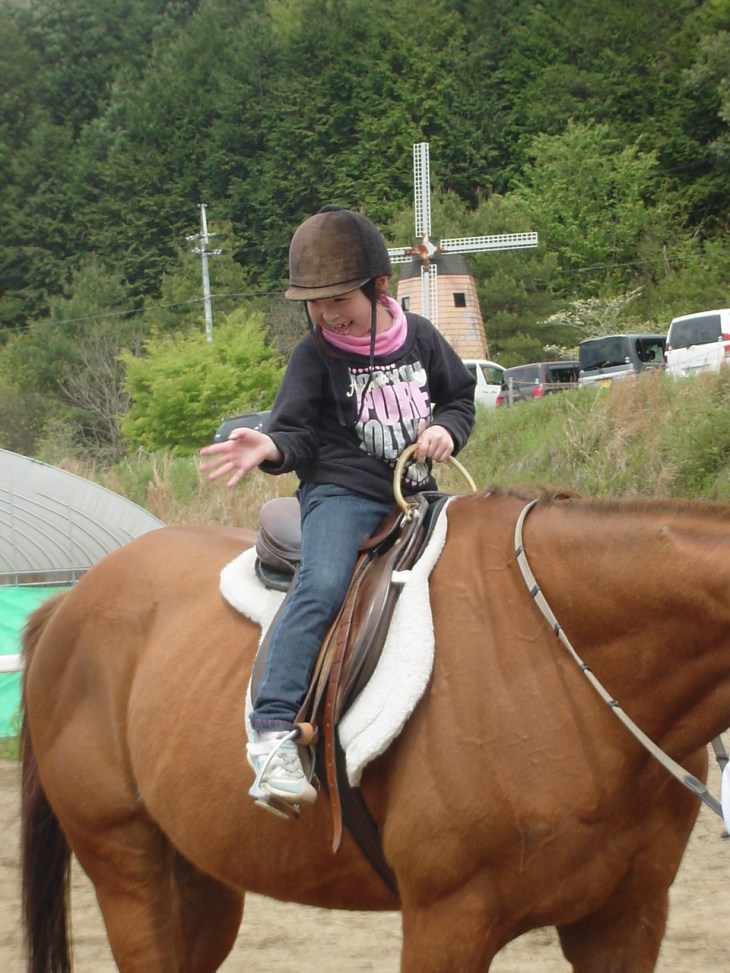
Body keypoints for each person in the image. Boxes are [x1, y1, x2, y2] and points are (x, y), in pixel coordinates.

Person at [200, 206, 476, 808]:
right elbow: (296, 434)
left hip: (416, 493)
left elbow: (459, 398)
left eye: (338, 299)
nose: (327, 314)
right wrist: (270, 446)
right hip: (341, 494)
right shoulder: (314, 356)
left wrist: (446, 432)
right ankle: (272, 730)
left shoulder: (423, 338)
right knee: (323, 583)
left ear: (379, 287)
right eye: (315, 303)